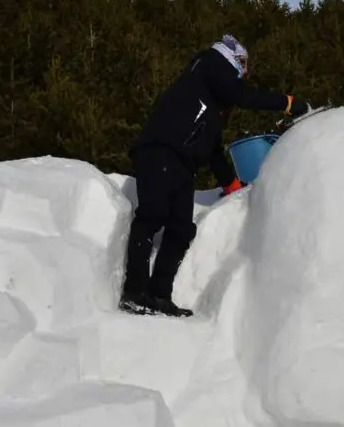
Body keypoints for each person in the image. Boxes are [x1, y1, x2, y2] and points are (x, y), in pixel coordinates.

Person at [119, 34, 310, 317]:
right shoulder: (210, 65)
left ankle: (159, 295)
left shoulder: (212, 100)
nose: (244, 71)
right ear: (231, 56)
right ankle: (134, 292)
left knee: (181, 229)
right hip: (159, 150)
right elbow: (241, 94)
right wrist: (287, 102)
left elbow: (213, 149)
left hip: (183, 164)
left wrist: (231, 184)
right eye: (242, 64)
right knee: (153, 214)